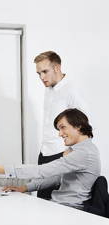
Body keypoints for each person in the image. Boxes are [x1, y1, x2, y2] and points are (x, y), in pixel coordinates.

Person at [0, 109, 101, 210]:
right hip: (60, 205)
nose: (60, 134)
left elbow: (44, 170)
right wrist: (25, 188)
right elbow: (56, 177)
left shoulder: (85, 153)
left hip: (69, 209)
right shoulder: (78, 151)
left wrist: (1, 169)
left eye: (62, 127)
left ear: (78, 126)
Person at [34, 51, 89, 200]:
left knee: (56, 204)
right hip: (45, 153)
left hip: (61, 155)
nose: (41, 77)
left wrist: (71, 151)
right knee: (42, 201)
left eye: (45, 72)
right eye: (38, 73)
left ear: (57, 68)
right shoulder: (48, 89)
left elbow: (86, 124)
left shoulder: (71, 90)